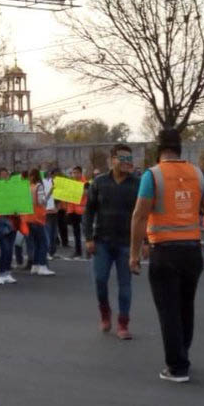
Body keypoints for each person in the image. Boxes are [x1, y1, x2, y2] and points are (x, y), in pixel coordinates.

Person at [129, 128, 204, 383]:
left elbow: (139, 215)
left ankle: (177, 366)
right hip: (192, 251)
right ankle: (183, 353)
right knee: (185, 306)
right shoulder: (198, 174)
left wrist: (134, 254)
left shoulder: (153, 175)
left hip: (164, 252)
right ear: (180, 149)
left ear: (159, 150)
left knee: (168, 310)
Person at [85, 145, 140, 339]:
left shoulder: (137, 183)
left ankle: (123, 324)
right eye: (122, 158)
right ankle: (104, 312)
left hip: (127, 244)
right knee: (100, 280)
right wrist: (88, 238)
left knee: (125, 285)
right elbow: (89, 211)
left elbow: (144, 215)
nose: (127, 162)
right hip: (102, 243)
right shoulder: (99, 182)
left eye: (129, 158)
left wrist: (146, 242)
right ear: (112, 160)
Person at [25, 168, 55, 276]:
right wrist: (49, 195)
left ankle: (35, 265)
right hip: (38, 218)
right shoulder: (39, 186)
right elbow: (40, 201)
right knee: (43, 243)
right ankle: (42, 266)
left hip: (28, 218)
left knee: (36, 243)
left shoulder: (28, 186)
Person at [62, 165, 87, 259]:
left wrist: (75, 190)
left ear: (81, 173)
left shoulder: (85, 183)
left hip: (83, 210)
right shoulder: (71, 183)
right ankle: (78, 251)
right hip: (73, 211)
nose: (74, 174)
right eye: (73, 173)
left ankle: (89, 252)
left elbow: (86, 194)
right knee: (76, 233)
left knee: (86, 232)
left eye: (76, 172)